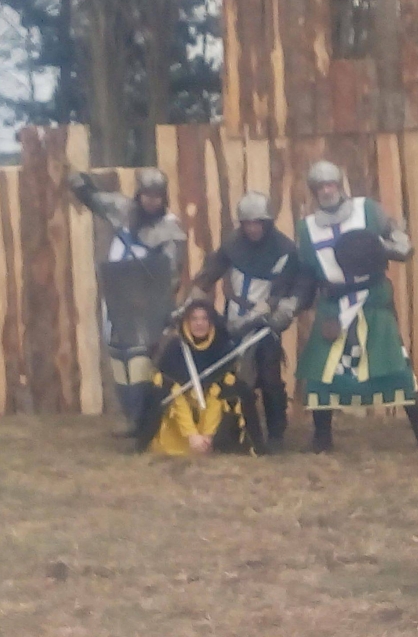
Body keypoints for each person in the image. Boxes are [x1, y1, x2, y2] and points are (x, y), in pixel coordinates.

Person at [291, 160, 418, 453]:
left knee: (395, 367)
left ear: (339, 185)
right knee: (322, 371)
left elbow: (400, 243)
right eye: (320, 187)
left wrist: (384, 247)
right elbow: (307, 275)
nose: (327, 191)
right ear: (314, 191)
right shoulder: (307, 229)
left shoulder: (368, 210)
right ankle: (322, 438)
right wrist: (292, 304)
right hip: (334, 307)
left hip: (372, 301)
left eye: (331, 184)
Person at [68, 168, 187, 436]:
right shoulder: (122, 209)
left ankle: (142, 421)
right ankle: (130, 418)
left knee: (138, 359)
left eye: (156, 196)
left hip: (145, 301)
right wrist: (80, 186)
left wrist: (157, 302)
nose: (151, 201)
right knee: (117, 357)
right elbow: (95, 199)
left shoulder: (170, 229)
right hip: (116, 296)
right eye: (147, 195)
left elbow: (170, 275)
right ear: (139, 194)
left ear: (163, 197)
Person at [179, 191, 299, 451]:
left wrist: (261, 315)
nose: (252, 229)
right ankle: (235, 430)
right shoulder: (232, 245)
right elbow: (209, 274)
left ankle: (276, 433)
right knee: (230, 377)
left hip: (264, 323)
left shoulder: (284, 250)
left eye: (257, 223)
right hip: (233, 318)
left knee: (269, 377)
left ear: (267, 223)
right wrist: (191, 302)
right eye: (248, 223)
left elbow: (281, 291)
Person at [135, 300, 265, 456]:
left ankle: (223, 443)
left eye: (204, 319)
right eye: (194, 319)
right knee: (161, 388)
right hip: (181, 420)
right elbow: (175, 396)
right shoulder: (174, 350)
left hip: (210, 419)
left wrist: (207, 436)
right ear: (187, 322)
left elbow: (217, 395)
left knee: (234, 387)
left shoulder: (221, 348)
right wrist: (192, 436)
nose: (199, 324)